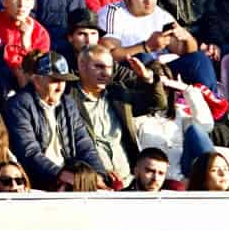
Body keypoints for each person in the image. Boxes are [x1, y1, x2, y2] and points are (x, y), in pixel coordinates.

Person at [100, 0, 219, 93]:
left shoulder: (161, 15)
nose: (149, 1)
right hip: (131, 74)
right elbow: (108, 55)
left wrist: (187, 38)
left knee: (199, 59)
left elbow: (188, 51)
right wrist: (146, 46)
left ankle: (214, 106)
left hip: (162, 71)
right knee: (142, 56)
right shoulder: (112, 13)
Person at [3, 51, 105, 189]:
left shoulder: (68, 104)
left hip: (69, 179)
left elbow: (85, 144)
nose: (60, 86)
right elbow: (29, 152)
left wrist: (98, 175)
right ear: (37, 80)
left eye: (63, 81)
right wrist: (62, 175)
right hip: (36, 183)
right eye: (54, 80)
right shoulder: (19, 104)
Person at [69, 44, 164, 189]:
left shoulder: (118, 93)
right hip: (92, 183)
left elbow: (157, 104)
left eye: (108, 67)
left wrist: (147, 78)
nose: (105, 73)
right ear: (82, 66)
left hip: (129, 182)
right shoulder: (68, 98)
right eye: (99, 67)